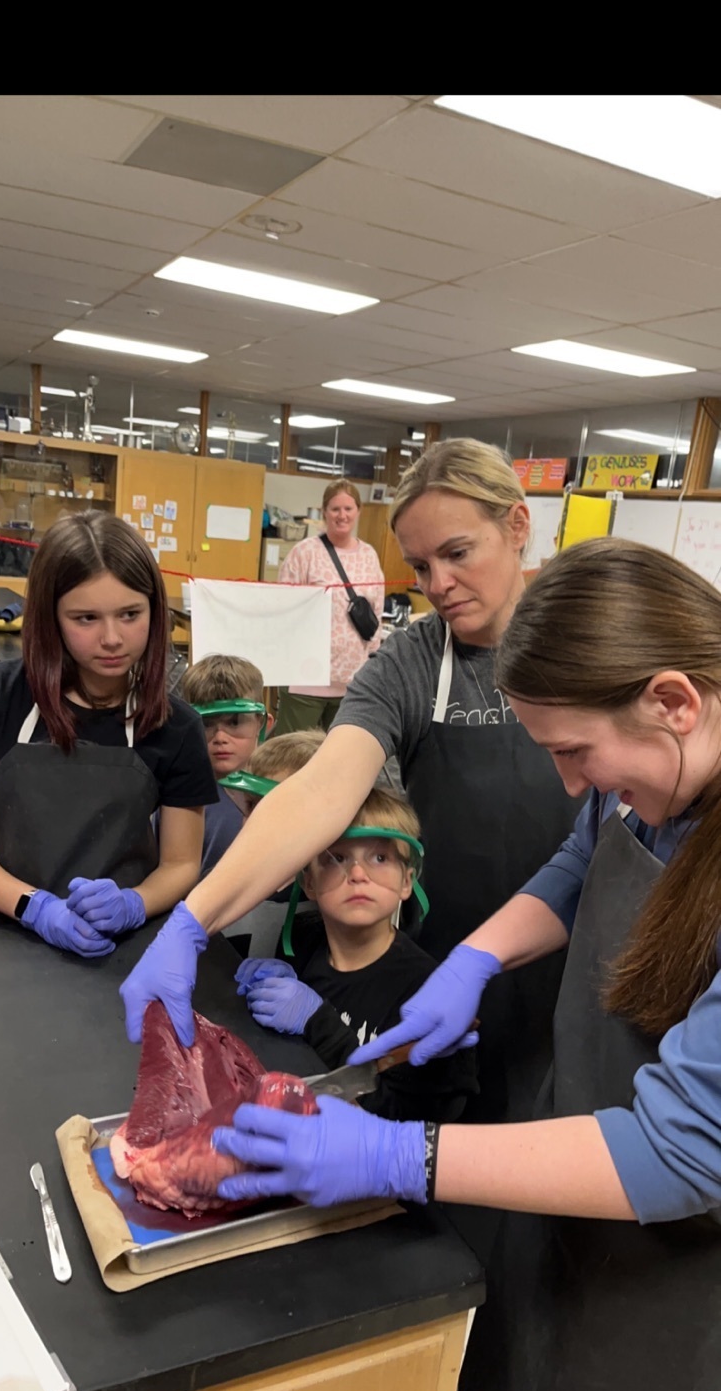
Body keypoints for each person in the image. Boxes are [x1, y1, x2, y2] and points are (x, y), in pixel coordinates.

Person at [210, 537, 721, 1391]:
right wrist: (472, 958)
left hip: (679, 1252)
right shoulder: (659, 775)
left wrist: (396, 1156)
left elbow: (681, 1153)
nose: (571, 786)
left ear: (672, 701)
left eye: (576, 752)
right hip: (578, 1167)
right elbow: (581, 857)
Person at [121, 439, 579, 1142]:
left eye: (458, 553)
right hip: (437, 972)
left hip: (569, 957)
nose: (439, 582)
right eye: (421, 566)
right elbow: (321, 791)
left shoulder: (585, 637)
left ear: (517, 527)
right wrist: (194, 922)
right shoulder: (411, 661)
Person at [0, 510, 217, 956]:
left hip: (114, 951)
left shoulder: (177, 728)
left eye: (129, 614)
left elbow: (181, 864)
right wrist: (34, 907)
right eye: (85, 618)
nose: (112, 638)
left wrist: (134, 904)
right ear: (50, 617)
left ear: (155, 611)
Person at [237, 787, 473, 1123]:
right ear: (309, 882)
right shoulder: (303, 948)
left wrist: (318, 1022)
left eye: (380, 858)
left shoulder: (428, 992)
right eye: (337, 858)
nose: (358, 875)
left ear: (407, 882)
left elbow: (412, 1120)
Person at [273, 479, 384, 735]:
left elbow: (376, 612)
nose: (342, 515)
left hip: (352, 679)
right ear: (324, 512)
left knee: (336, 755)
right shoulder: (304, 553)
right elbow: (283, 607)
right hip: (307, 677)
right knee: (292, 754)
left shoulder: (369, 555)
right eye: (335, 509)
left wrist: (371, 666)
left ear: (358, 511)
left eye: (348, 509)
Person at [221, 727, 326, 959]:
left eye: (274, 808)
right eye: (250, 805)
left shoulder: (331, 907)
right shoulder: (219, 885)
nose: (254, 822)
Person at [177, 654, 272, 879]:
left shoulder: (285, 792)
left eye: (234, 722)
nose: (220, 737)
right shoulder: (179, 801)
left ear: (263, 725)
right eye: (206, 724)